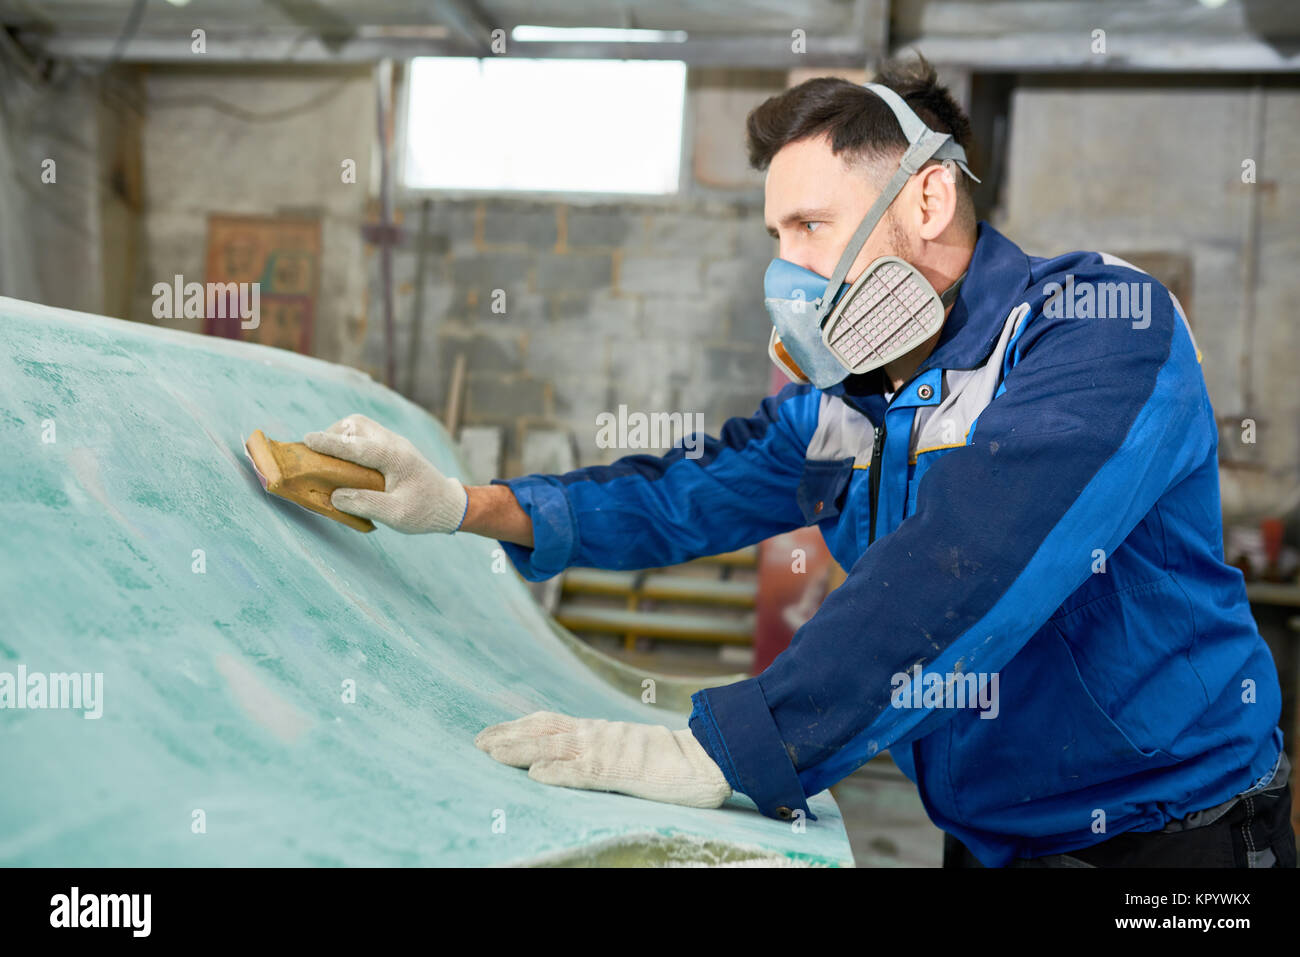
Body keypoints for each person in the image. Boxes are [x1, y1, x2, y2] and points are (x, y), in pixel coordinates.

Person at [305, 56, 1294, 868]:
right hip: (989, 838)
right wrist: (459, 504)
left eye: (811, 227)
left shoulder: (1094, 329)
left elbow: (974, 554)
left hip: (1173, 841)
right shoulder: (842, 405)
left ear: (928, 198)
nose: (787, 270)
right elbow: (682, 493)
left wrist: (726, 750)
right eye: (776, 234)